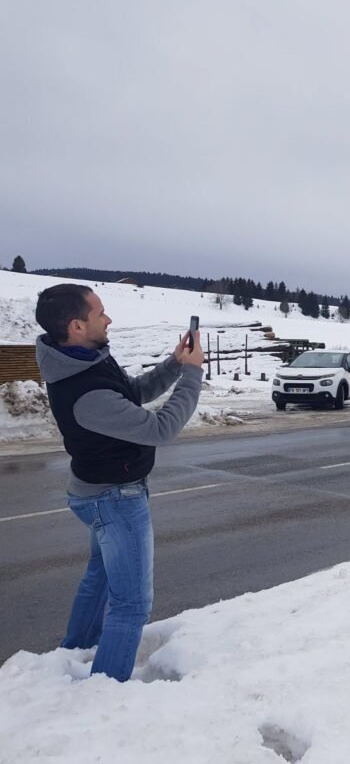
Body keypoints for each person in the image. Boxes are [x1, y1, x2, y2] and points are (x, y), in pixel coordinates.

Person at [34, 283, 204, 681]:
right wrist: (194, 375)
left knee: (103, 576)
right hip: (113, 499)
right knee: (132, 605)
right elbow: (161, 428)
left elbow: (133, 393)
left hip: (97, 491)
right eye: (100, 313)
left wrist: (176, 364)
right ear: (76, 326)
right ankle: (104, 690)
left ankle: (73, 656)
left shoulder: (85, 361)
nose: (109, 319)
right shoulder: (85, 390)